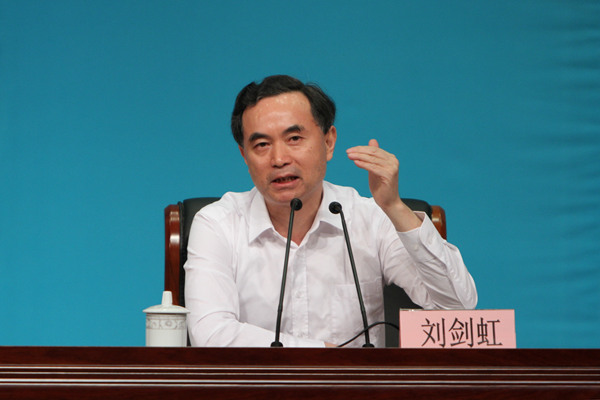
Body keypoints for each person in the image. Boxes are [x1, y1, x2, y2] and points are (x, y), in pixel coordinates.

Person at [184, 75, 477, 347]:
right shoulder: (218, 224)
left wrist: (394, 207)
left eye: (294, 139)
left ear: (328, 142)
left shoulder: (370, 219)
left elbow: (458, 309)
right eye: (261, 144)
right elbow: (210, 333)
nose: (279, 159)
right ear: (244, 156)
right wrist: (322, 355)